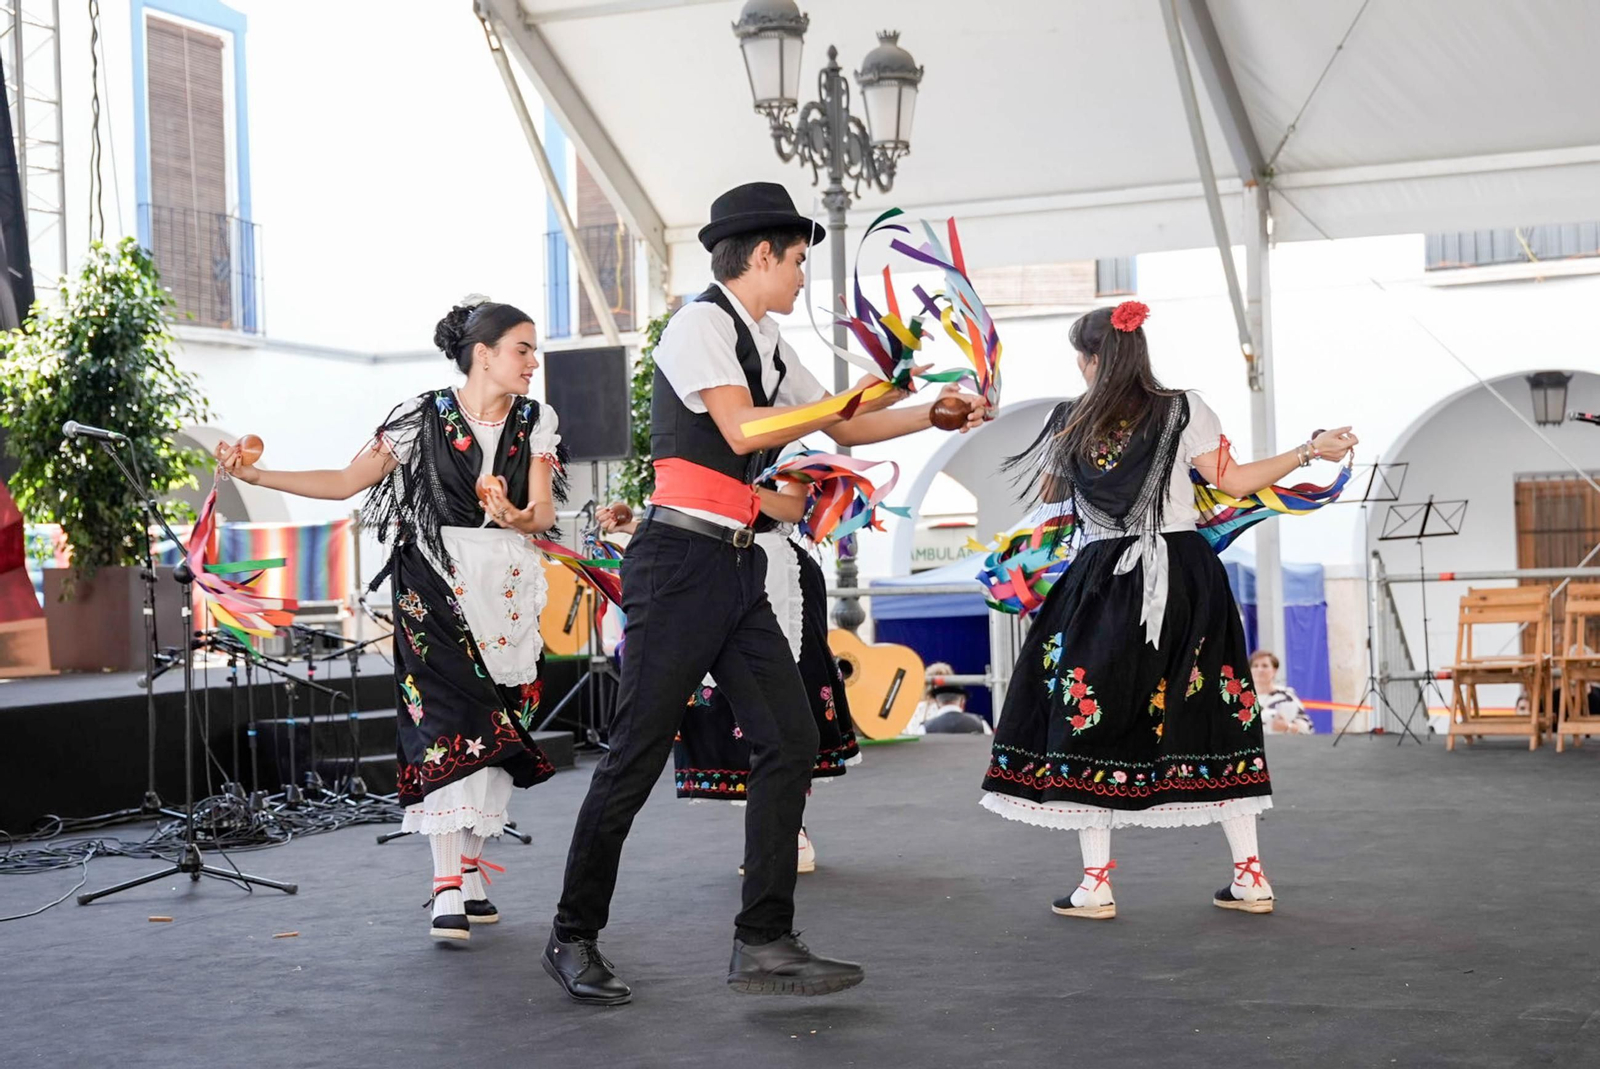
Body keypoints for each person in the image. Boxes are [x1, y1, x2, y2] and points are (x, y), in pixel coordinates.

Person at [545, 181, 984, 1006]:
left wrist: (929, 410)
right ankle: (572, 933)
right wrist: (865, 390)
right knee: (635, 756)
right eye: (797, 262)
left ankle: (765, 939)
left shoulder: (768, 338)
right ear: (759, 255)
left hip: (739, 564)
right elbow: (746, 429)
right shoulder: (699, 323)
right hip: (677, 565)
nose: (802, 279)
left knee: (789, 738)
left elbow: (842, 427)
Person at [979, 300, 1356, 921]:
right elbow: (1235, 483)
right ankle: (1250, 876)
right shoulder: (1184, 409)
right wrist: (1309, 450)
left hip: (1102, 577)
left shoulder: (1066, 422)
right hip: (1186, 575)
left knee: (1087, 712)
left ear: (1091, 359)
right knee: (1215, 706)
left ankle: (1096, 884)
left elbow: (1052, 501)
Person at [217, 296, 564, 944]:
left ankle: (470, 867)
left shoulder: (535, 421)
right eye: (522, 348)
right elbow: (348, 479)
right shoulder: (418, 417)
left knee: (497, 721)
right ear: (482, 353)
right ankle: (446, 886)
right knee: (444, 721)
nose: (532, 361)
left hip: (506, 586)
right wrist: (258, 472)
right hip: (434, 580)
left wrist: (517, 515)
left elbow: (541, 511)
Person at [1251, 650, 1313, 734]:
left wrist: (1287, 726)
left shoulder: (1287, 695)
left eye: (1265, 666)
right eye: (1255, 666)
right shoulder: (1240, 697)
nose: (1260, 670)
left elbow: (1307, 728)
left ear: (1274, 670)